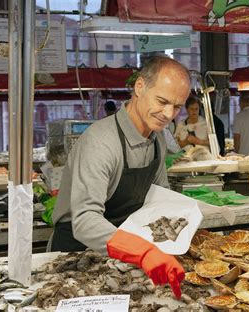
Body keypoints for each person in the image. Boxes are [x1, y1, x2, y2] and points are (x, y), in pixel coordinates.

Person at [48, 56, 191, 298]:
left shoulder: (157, 138)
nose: (168, 114)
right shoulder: (100, 142)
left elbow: (159, 199)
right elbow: (84, 220)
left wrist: (174, 238)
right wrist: (143, 252)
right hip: (75, 253)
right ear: (139, 87)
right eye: (162, 101)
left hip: (122, 254)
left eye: (177, 107)